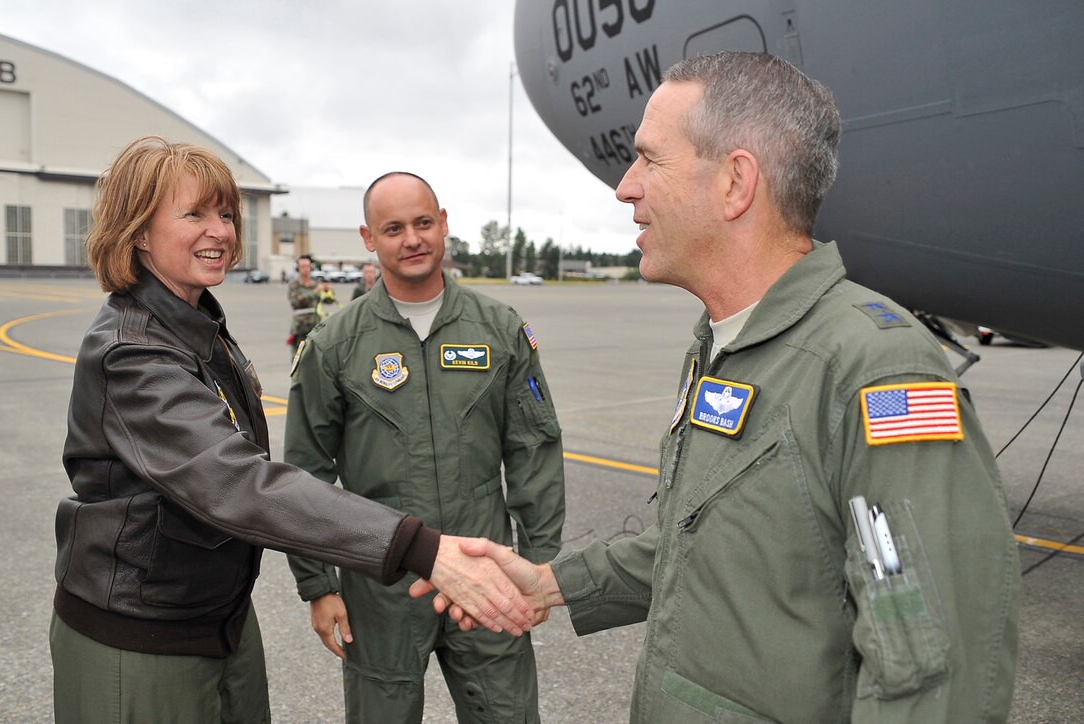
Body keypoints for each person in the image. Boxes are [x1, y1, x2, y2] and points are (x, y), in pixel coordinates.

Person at [423, 52, 1021, 722]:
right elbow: (703, 543)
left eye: (649, 159)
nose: (624, 188)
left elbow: (933, 670)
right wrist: (550, 584)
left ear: (736, 183)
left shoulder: (876, 369)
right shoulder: (724, 346)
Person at [51, 137, 534, 724]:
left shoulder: (196, 327)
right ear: (139, 232)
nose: (221, 231)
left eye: (226, 214)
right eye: (194, 214)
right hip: (141, 636)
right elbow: (239, 483)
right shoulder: (132, 353)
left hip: (215, 617)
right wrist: (419, 549)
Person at [285, 171, 565, 723]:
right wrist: (317, 584)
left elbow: (534, 449)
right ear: (369, 238)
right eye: (393, 229)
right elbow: (305, 474)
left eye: (422, 223)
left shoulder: (499, 330)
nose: (412, 239)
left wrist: (539, 564)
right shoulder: (334, 346)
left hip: (487, 578)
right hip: (381, 584)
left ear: (443, 224)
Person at [288, 254, 334, 356]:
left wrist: (329, 291)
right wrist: (315, 291)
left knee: (315, 356)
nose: (305, 269)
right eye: (302, 266)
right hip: (300, 327)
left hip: (315, 326)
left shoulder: (316, 283)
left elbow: (329, 301)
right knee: (298, 357)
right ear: (298, 268)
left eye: (307, 266)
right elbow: (296, 301)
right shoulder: (294, 285)